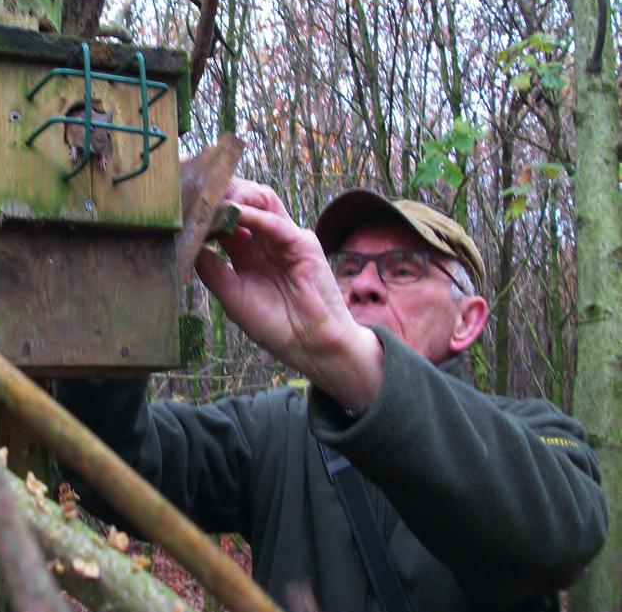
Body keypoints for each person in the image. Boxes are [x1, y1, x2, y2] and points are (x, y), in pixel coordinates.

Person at [56, 182, 607, 612]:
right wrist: (122, 296)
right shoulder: (275, 430)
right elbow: (117, 469)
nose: (363, 284)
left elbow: (558, 537)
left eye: (402, 268)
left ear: (468, 320)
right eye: (346, 267)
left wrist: (357, 369)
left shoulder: (532, 433)